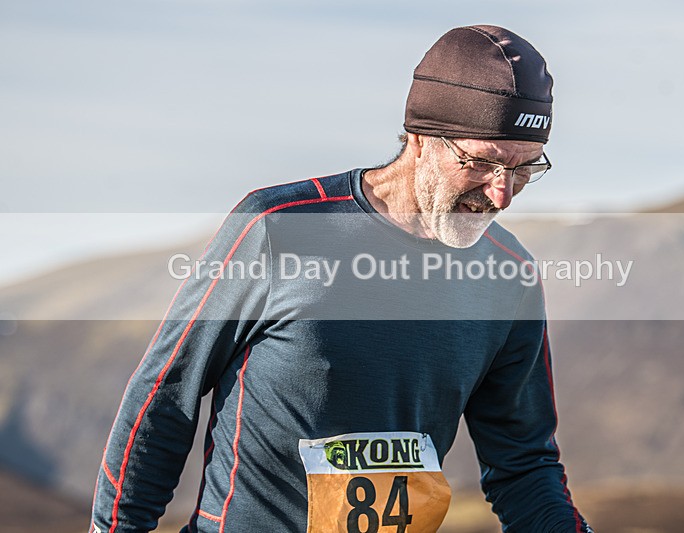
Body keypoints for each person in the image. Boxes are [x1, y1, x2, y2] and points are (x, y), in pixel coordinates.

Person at [90, 25, 592, 533]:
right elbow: (164, 395)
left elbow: (525, 467)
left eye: (526, 168)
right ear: (421, 138)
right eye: (481, 163)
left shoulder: (510, 277)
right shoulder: (279, 228)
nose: (502, 194)